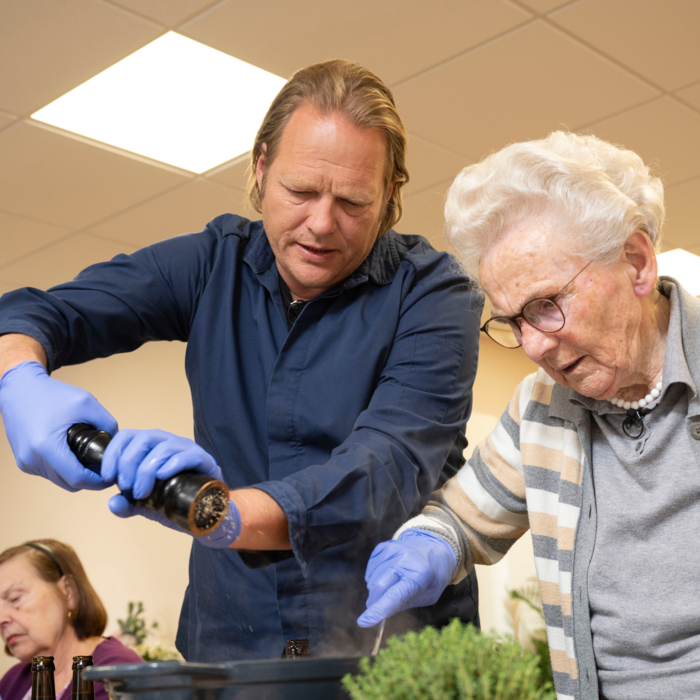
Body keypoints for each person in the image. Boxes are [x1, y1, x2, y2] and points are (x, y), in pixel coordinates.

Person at [0, 59, 482, 660]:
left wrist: (219, 514)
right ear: (260, 168)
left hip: (393, 651)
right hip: (231, 646)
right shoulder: (210, 265)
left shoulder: (435, 292)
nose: (322, 223)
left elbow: (384, 466)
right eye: (300, 191)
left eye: (353, 201)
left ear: (389, 196)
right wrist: (18, 374)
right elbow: (42, 314)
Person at [359, 131, 700, 700]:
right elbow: (464, 517)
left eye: (546, 305)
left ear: (636, 263)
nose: (534, 346)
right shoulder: (542, 407)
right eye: (514, 321)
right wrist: (429, 543)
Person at [0, 540, 143, 700]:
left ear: (68, 591)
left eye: (14, 598)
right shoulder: (12, 681)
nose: (1, 619)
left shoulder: (120, 672)